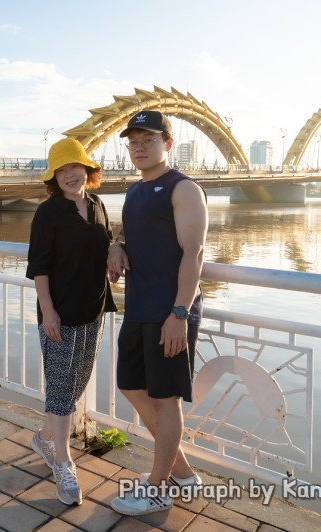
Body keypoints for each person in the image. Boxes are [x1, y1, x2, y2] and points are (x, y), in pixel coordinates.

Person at [107, 111, 208, 516]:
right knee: (130, 386)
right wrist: (116, 243)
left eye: (148, 139)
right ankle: (182, 472)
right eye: (133, 140)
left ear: (167, 142)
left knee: (166, 401)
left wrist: (179, 313)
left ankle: (157, 486)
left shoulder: (183, 189)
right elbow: (133, 230)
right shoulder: (135, 190)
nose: (139, 146)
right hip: (139, 307)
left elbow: (193, 253)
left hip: (170, 310)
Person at [25, 138, 117, 505]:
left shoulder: (97, 204)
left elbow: (107, 240)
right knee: (61, 387)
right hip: (59, 314)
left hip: (93, 309)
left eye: (74, 167)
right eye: (62, 170)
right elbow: (40, 268)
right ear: (54, 177)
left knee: (77, 381)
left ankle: (45, 437)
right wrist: (48, 311)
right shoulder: (47, 213)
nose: (69, 175)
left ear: (87, 171)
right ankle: (63, 461)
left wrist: (117, 248)